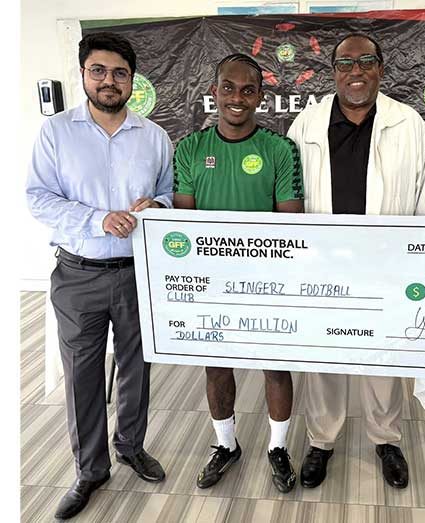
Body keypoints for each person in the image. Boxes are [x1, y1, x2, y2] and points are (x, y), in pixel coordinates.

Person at [26, 32, 172, 520]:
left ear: (133, 80)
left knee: (136, 366)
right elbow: (38, 197)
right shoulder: (56, 133)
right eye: (99, 71)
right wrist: (97, 219)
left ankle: (130, 445)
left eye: (120, 73)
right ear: (84, 74)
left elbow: (170, 194)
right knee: (81, 376)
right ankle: (90, 470)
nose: (109, 81)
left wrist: (158, 205)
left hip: (138, 273)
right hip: (78, 274)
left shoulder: (154, 136)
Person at [287, 33, 425, 490]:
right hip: (323, 263)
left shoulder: (408, 123)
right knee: (324, 354)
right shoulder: (306, 124)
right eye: (345, 63)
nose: (356, 71)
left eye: (366, 62)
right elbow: (289, 197)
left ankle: (385, 438)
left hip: (387, 263)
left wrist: (419, 260)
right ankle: (322, 439)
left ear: (381, 69)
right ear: (334, 72)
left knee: (384, 356)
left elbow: (424, 195)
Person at [173, 53, 305, 494]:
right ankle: (226, 445)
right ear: (214, 93)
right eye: (228, 88)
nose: (237, 98)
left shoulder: (280, 149)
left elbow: (289, 223)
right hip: (211, 283)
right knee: (216, 367)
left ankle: (278, 447)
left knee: (275, 366)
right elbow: (185, 227)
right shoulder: (190, 149)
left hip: (270, 281)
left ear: (261, 98)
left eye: (248, 90)